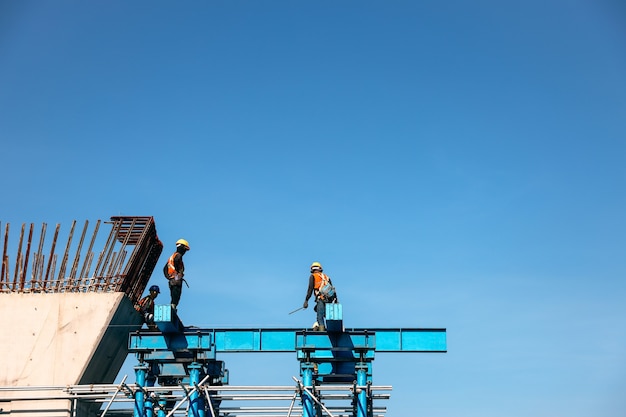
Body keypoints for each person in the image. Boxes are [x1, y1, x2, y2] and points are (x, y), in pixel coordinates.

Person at [302, 262, 337, 331]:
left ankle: (322, 331)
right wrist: (336, 301)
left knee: (319, 316)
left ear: (312, 269)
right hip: (330, 300)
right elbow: (332, 290)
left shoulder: (313, 276)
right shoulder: (327, 277)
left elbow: (310, 289)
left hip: (321, 298)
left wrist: (306, 300)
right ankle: (330, 329)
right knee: (328, 315)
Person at [163, 238, 190, 309]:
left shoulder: (172, 257)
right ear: (182, 247)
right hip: (176, 281)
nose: (185, 252)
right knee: (176, 298)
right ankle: (172, 309)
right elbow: (178, 266)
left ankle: (172, 308)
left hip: (172, 281)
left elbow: (165, 269)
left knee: (173, 298)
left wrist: (170, 277)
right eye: (185, 249)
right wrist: (177, 276)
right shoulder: (178, 256)